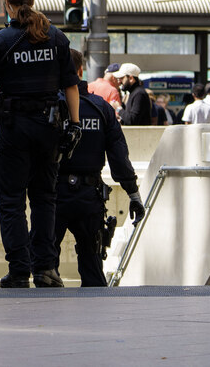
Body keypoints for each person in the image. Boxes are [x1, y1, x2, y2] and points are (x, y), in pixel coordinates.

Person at [0, 0, 81, 289]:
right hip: (50, 128)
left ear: (7, 4)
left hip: (13, 129)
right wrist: (74, 125)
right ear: (31, 0)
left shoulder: (1, 41)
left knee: (11, 201)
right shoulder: (56, 38)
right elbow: (71, 85)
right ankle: (46, 269)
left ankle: (20, 270)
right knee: (45, 198)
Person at [54, 49, 144, 287]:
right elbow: (119, 158)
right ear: (81, 71)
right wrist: (133, 194)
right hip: (89, 197)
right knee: (93, 269)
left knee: (45, 268)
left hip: (52, 196)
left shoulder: (50, 108)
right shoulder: (102, 109)